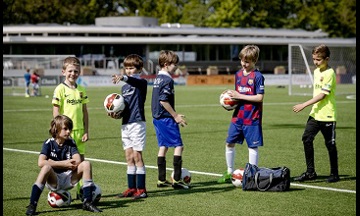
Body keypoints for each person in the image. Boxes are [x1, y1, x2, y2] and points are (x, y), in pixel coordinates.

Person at [25, 115, 102, 215]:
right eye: (65, 129)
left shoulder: (71, 142)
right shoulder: (48, 143)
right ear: (56, 129)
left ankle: (87, 202)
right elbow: (41, 162)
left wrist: (52, 162)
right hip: (54, 180)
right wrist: (64, 164)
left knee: (86, 164)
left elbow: (77, 160)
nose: (69, 131)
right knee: (46, 168)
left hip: (69, 179)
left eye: (69, 129)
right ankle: (32, 204)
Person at [217, 45, 265, 184]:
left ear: (254, 60)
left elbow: (259, 98)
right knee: (229, 143)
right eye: (242, 60)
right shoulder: (238, 74)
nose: (244, 64)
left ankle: (252, 175)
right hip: (238, 116)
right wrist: (231, 99)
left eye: (247, 61)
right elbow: (238, 96)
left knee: (252, 146)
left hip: (252, 117)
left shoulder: (258, 76)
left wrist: (239, 95)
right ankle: (229, 171)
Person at [293, 44, 339, 183]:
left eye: (318, 60)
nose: (315, 62)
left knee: (330, 144)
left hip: (327, 115)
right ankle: (310, 172)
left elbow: (322, 95)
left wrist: (304, 104)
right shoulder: (316, 71)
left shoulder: (330, 73)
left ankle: (334, 174)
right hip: (315, 114)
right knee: (306, 138)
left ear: (327, 59)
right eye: (313, 59)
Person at [108, 54, 148, 199]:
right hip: (125, 124)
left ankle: (142, 189)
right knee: (128, 157)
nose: (129, 70)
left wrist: (123, 77)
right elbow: (123, 107)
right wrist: (115, 113)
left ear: (139, 69)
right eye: (127, 68)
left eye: (132, 68)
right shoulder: (124, 88)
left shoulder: (141, 83)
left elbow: (132, 80)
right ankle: (131, 188)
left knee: (137, 156)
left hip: (137, 123)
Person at [151, 50, 189, 189]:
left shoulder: (157, 78)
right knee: (179, 146)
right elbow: (163, 101)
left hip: (157, 118)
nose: (176, 67)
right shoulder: (167, 80)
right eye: (174, 65)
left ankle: (161, 180)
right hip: (166, 118)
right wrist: (175, 116)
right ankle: (177, 181)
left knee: (163, 146)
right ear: (166, 64)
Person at [52, 56, 89, 195]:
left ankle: (82, 191)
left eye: (76, 71)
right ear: (63, 72)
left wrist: (86, 130)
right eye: (70, 71)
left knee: (81, 162)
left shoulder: (81, 89)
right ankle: (60, 191)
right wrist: (59, 131)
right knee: (66, 163)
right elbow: (56, 110)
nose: (73, 74)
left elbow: (85, 112)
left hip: (79, 132)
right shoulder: (60, 89)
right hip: (65, 133)